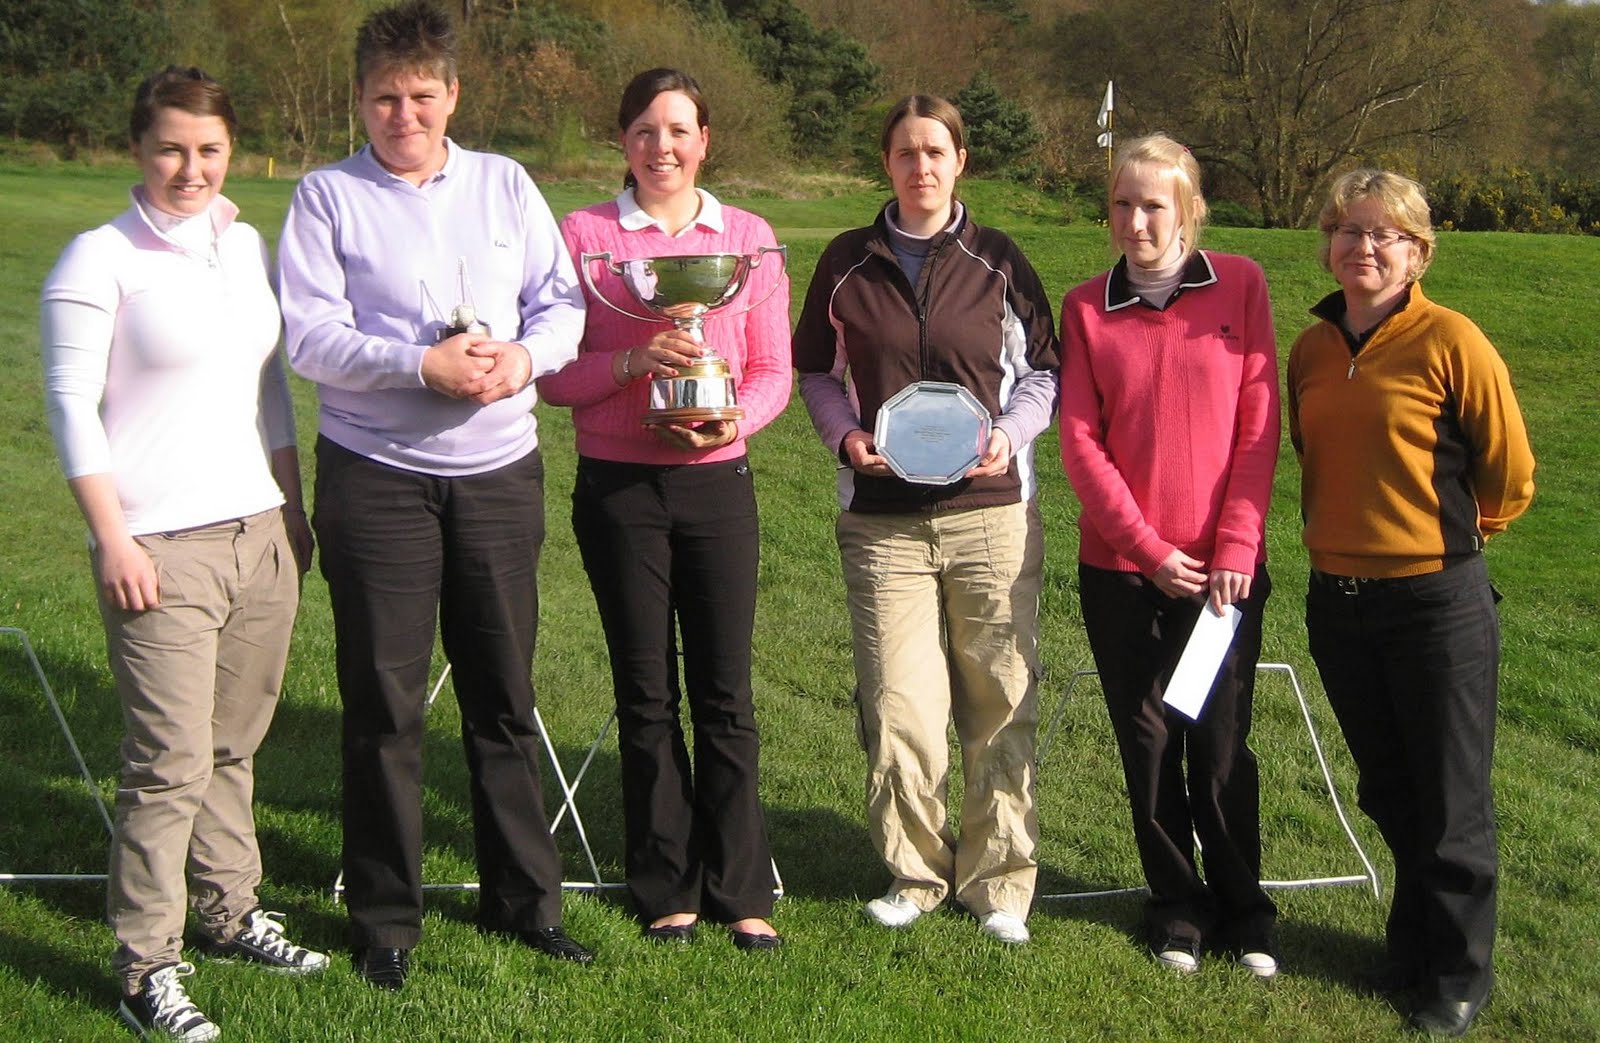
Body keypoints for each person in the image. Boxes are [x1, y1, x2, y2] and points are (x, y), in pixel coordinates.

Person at [276, 0, 591, 988]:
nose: (402, 114)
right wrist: (422, 364)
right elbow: (310, 336)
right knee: (383, 704)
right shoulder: (326, 198)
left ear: (453, 95)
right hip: (376, 481)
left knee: (504, 697)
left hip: (497, 476)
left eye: (421, 95)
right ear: (358, 101)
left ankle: (524, 901)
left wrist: (524, 359)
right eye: (383, 98)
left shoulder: (503, 184)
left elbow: (564, 301)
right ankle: (385, 916)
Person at [40, 65, 327, 1043]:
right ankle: (145, 963)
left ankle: (229, 909)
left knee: (233, 746)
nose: (188, 167)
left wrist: (289, 502)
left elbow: (271, 386)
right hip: (157, 546)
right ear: (137, 147)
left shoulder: (244, 244)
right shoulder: (96, 259)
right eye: (170, 147)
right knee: (168, 760)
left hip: (258, 531)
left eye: (208, 149)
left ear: (231, 152)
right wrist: (111, 533)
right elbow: (70, 405)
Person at [793, 95, 1059, 945]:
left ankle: (1000, 885)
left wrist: (1008, 439)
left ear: (960, 161)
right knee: (901, 702)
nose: (921, 167)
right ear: (887, 164)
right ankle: (915, 871)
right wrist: (845, 436)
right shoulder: (845, 261)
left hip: (990, 517)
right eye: (905, 153)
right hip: (883, 524)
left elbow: (1043, 374)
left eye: (936, 151)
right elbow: (817, 373)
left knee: (998, 699)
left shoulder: (1000, 260)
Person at [538, 68, 790, 951]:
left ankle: (741, 883)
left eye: (679, 130)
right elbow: (553, 377)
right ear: (624, 142)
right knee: (646, 693)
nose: (663, 147)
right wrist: (631, 364)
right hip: (619, 489)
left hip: (719, 485)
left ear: (705, 141)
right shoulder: (585, 236)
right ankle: (664, 881)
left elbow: (773, 370)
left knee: (725, 691)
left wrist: (728, 420)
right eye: (645, 130)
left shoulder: (749, 239)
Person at [1288, 169, 1533, 1036]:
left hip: (1437, 604)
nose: (1364, 247)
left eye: (1385, 234)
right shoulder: (1312, 348)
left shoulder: (1453, 340)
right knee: (1389, 788)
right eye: (1349, 231)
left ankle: (1460, 973)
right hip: (1340, 602)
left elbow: (1509, 477)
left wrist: (1443, 552)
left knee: (1450, 799)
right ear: (1328, 243)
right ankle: (1413, 941)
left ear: (1419, 250)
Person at [1058, 134, 1281, 978]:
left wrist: (1234, 543)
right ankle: (1177, 907)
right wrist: (1146, 550)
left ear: (1189, 209)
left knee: (1219, 744)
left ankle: (1245, 912)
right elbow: (1080, 442)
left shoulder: (1242, 285)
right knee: (1147, 741)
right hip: (1123, 572)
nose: (1137, 220)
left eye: (1155, 204)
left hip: (1224, 575)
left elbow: (1259, 426)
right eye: (1124, 203)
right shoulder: (1086, 307)